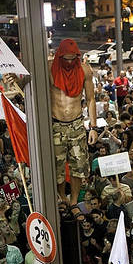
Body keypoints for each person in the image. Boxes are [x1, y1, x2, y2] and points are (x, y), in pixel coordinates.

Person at [33, 39, 98, 223]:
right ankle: (62, 198)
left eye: (73, 59)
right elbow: (30, 84)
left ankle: (74, 201)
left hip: (77, 124)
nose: (69, 62)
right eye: (66, 59)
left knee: (79, 167)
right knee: (57, 167)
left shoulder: (84, 70)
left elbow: (91, 99)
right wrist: (16, 78)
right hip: (55, 124)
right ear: (59, 56)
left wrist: (93, 127)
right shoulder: (47, 68)